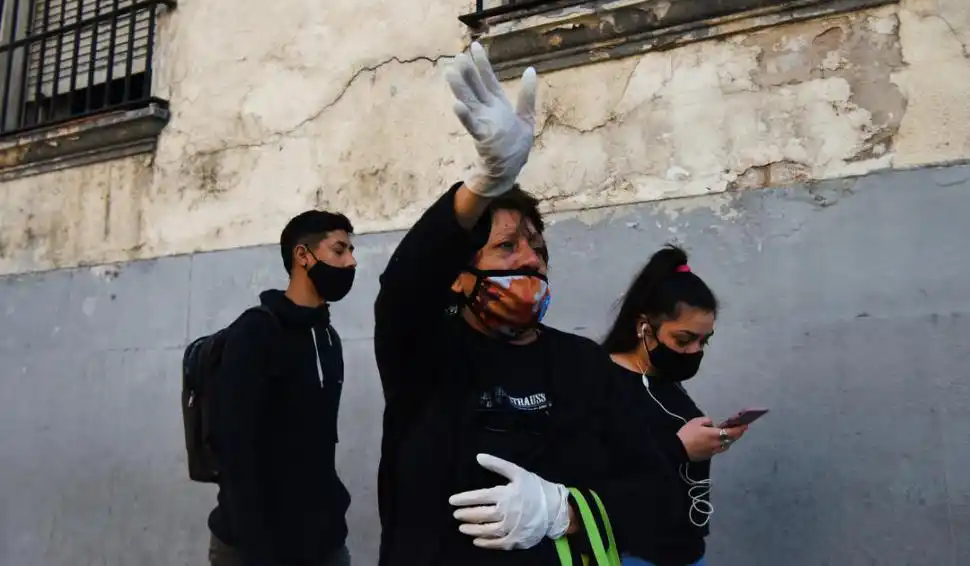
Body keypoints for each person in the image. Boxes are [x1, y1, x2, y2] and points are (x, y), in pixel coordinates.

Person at [373, 42, 686, 566]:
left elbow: (657, 498)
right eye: (508, 247)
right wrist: (484, 184)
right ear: (457, 277)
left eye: (538, 248)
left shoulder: (584, 365)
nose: (532, 261)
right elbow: (405, 286)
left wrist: (565, 511)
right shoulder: (425, 355)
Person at [207, 211, 357, 566]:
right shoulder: (255, 333)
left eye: (352, 250)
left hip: (323, 539)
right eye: (339, 250)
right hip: (256, 546)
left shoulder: (328, 338)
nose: (351, 261)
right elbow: (233, 448)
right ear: (303, 256)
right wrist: (257, 547)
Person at [603, 245, 750, 566]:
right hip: (630, 553)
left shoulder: (664, 379)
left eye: (703, 341)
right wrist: (679, 449)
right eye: (683, 340)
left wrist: (712, 441)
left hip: (685, 549)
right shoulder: (600, 378)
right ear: (645, 327)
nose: (694, 351)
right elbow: (598, 469)